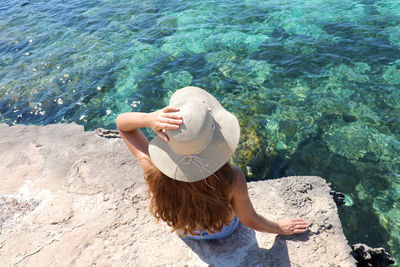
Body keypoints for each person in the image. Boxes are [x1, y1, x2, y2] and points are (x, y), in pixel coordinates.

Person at [115, 86, 309, 240]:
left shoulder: (154, 170)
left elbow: (123, 126)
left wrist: (148, 118)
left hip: (184, 230)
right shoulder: (232, 178)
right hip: (221, 230)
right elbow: (250, 220)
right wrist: (279, 228)